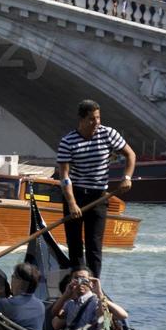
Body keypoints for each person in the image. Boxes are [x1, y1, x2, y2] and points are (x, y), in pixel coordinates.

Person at [56, 99, 135, 279]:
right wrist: (72, 203)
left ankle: (94, 283)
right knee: (75, 243)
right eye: (92, 119)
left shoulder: (108, 134)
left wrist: (127, 178)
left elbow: (130, 154)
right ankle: (78, 279)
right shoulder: (68, 142)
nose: (96, 123)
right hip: (75, 195)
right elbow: (64, 176)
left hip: (99, 196)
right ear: (82, 120)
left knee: (94, 243)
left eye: (98, 118)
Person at [49, 267, 129, 330]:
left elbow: (123, 315)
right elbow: (55, 314)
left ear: (91, 282)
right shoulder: (70, 303)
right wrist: (66, 294)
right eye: (76, 279)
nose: (80, 283)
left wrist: (100, 294)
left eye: (84, 280)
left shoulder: (97, 302)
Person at [0, 262, 45, 330]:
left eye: (13, 277)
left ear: (19, 282)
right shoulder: (40, 305)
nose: (11, 280)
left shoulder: (6, 304)